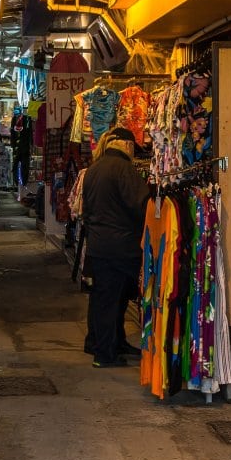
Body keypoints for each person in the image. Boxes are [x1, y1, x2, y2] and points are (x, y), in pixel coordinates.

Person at [80, 127, 151, 368]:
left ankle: (110, 343)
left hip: (100, 244)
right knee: (111, 300)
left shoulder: (95, 167)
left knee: (108, 299)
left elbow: (86, 210)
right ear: (127, 145)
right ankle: (105, 353)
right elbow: (140, 204)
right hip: (120, 246)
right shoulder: (123, 169)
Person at [11, 112, 33, 187]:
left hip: (19, 147)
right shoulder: (27, 119)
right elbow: (30, 133)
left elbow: (12, 133)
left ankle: (18, 182)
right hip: (25, 147)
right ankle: (23, 182)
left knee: (16, 165)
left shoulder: (16, 119)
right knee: (24, 166)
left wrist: (13, 145)